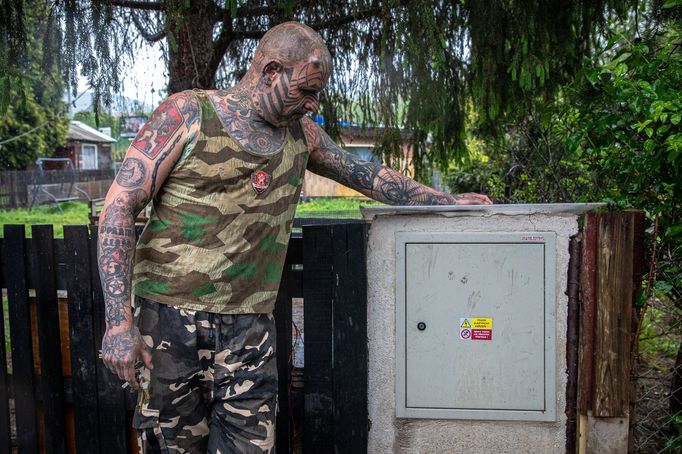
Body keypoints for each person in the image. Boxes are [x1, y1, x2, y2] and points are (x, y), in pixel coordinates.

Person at [99, 21, 491, 454]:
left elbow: (367, 175)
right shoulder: (189, 113)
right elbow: (119, 206)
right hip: (167, 323)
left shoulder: (301, 136)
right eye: (305, 91)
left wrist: (443, 200)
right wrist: (119, 323)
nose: (312, 104)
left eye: (316, 93)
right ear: (269, 71)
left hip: (250, 329)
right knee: (170, 447)